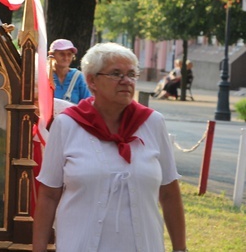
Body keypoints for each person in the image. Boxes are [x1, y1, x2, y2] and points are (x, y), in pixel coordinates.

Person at [33, 42, 187, 252]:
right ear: (92, 81)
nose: (126, 81)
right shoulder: (67, 124)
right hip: (80, 245)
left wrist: (180, 249)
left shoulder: (153, 123)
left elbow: (169, 192)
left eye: (131, 74)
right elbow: (49, 194)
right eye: (116, 74)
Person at [48, 38, 91, 104]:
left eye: (69, 54)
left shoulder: (79, 77)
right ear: (52, 55)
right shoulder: (45, 77)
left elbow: (88, 103)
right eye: (62, 54)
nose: (66, 58)